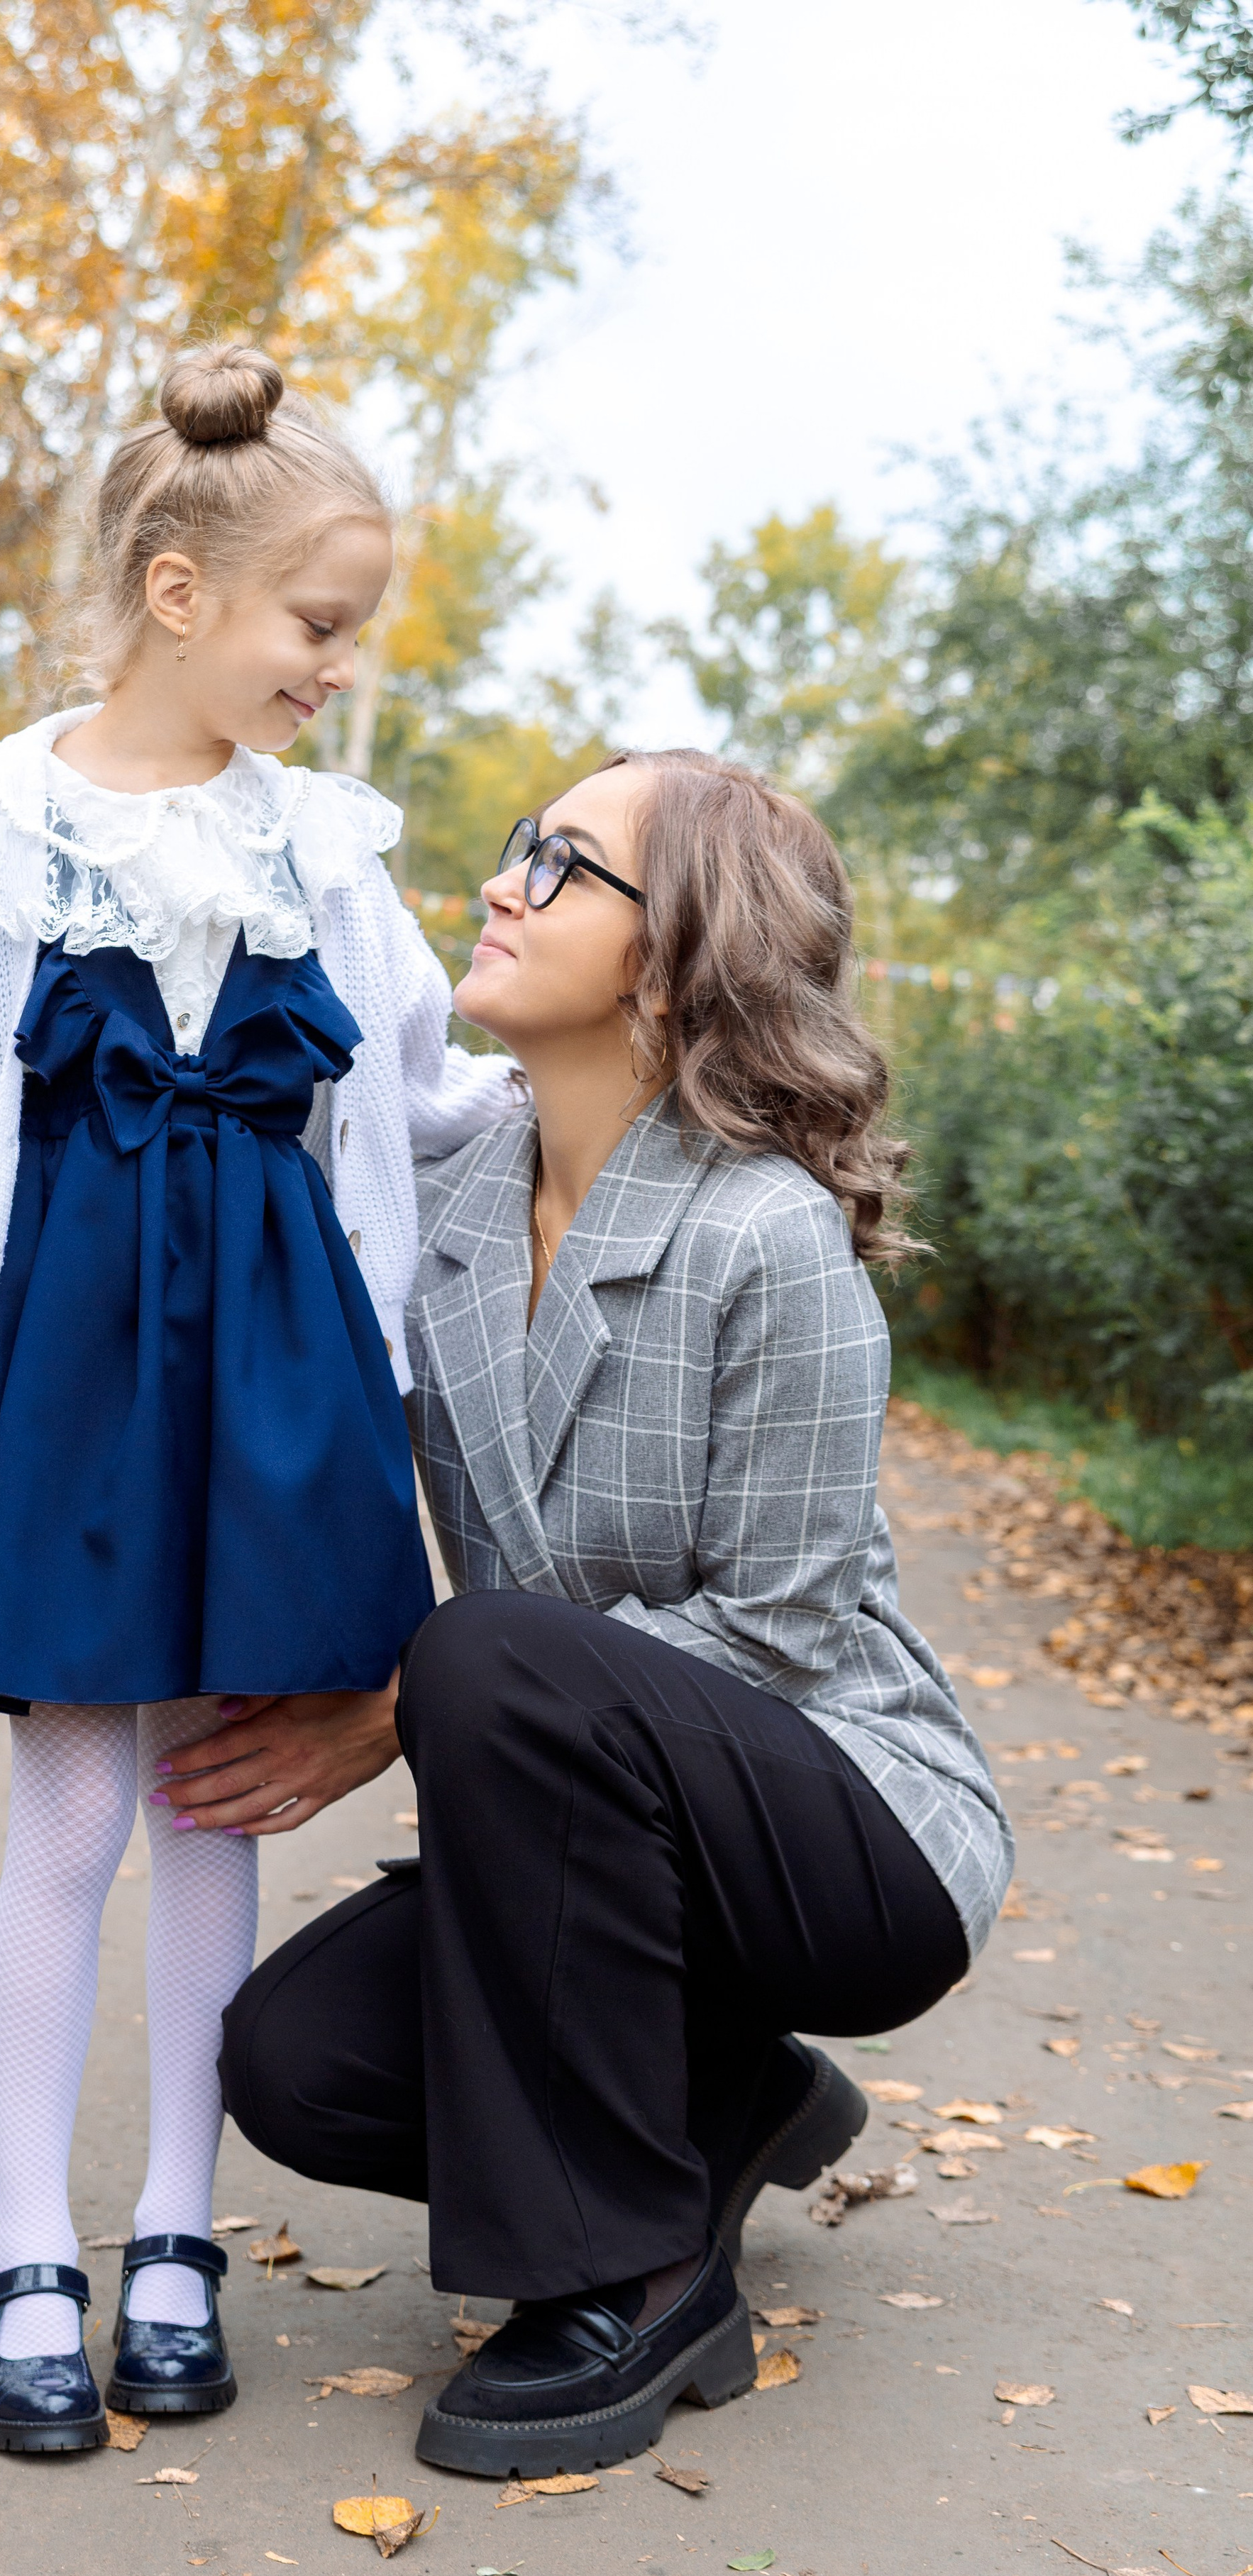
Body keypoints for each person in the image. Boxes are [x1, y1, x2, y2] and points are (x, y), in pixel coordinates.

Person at [0, 339, 518, 2458]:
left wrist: (623, 1110)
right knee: (78, 1807)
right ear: (181, 591)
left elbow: (428, 1107)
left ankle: (179, 2234)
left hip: (287, 1377)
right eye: (316, 625)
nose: (332, 669)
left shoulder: (331, 851)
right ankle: (34, 2244)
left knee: (224, 1792)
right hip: (80, 1372)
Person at [165, 750, 1012, 2478]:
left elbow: (778, 1632)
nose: (498, 881)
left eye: (558, 864)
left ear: (669, 952)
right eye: (514, 848)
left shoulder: (767, 1233)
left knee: (481, 1649)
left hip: (848, 1831)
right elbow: (180, 1246)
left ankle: (630, 2277)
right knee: (295, 2061)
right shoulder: (448, 1206)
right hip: (600, 1832)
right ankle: (723, 2101)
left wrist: (402, 1704)